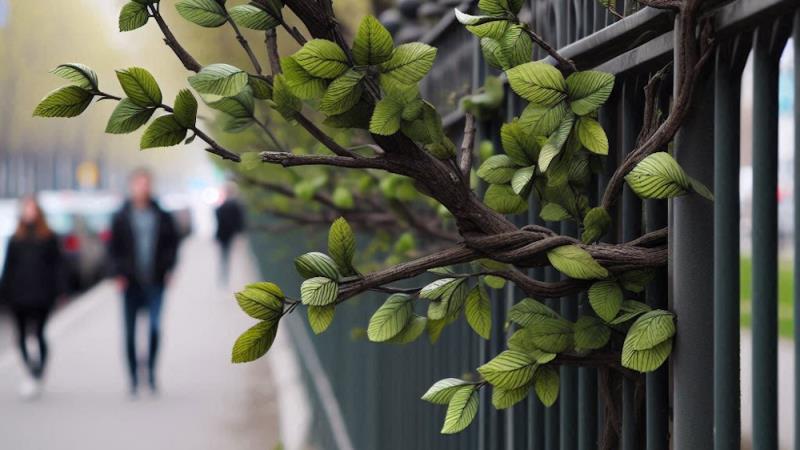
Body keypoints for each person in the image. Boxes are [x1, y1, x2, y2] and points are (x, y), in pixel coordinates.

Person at [110, 168, 179, 397]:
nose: (143, 188)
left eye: (146, 183)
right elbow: (113, 250)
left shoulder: (162, 215)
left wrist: (169, 269)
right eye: (139, 184)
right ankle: (132, 378)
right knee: (129, 334)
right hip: (130, 284)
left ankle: (150, 373)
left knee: (154, 328)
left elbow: (172, 244)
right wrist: (118, 274)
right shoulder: (121, 216)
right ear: (132, 186)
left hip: (156, 282)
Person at [0, 195, 64, 399]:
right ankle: (32, 370)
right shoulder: (15, 239)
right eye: (26, 209)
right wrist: (4, 294)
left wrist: (59, 291)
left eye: (32, 208)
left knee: (39, 334)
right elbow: (8, 269)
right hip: (18, 295)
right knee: (19, 337)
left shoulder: (49, 237)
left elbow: (58, 267)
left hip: (41, 294)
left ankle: (39, 371)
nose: (29, 212)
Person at [214, 183, 245, 285]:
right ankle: (225, 277)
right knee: (227, 256)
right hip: (229, 234)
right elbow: (239, 221)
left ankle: (224, 277)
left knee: (225, 256)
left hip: (225, 235)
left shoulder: (226, 205)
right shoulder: (235, 204)